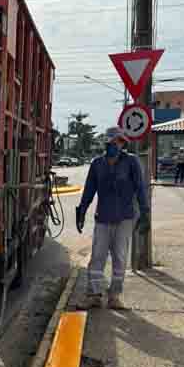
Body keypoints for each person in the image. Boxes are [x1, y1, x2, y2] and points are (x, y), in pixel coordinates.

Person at [75, 127, 150, 310]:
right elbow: (89, 190)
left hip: (124, 218)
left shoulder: (131, 163)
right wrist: (81, 211)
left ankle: (114, 296)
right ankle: (94, 295)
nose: (114, 145)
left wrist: (145, 212)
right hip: (103, 218)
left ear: (123, 144)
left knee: (120, 259)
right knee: (97, 258)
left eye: (118, 142)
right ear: (106, 143)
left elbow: (140, 188)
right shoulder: (97, 164)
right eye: (111, 142)